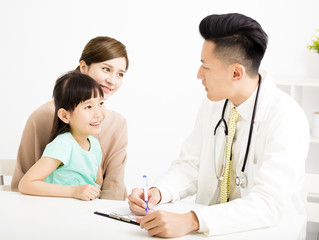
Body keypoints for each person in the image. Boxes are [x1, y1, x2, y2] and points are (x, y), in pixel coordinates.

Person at [128, 13, 309, 237]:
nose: (198, 74)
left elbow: (268, 203)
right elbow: (191, 165)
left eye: (206, 67)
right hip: (214, 229)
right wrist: (158, 192)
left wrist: (192, 220)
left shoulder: (287, 117)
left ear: (236, 72)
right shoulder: (214, 105)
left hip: (268, 233)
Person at [12, 36, 129, 200]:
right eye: (106, 69)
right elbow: (24, 182)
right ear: (83, 66)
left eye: (120, 74)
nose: (112, 81)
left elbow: (109, 189)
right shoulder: (43, 117)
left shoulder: (116, 125)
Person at [19, 72, 105, 200]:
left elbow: (97, 183)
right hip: (58, 212)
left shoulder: (95, 144)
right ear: (65, 116)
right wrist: (74, 191)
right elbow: (26, 184)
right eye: (88, 106)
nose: (98, 113)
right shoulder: (63, 144)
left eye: (101, 103)